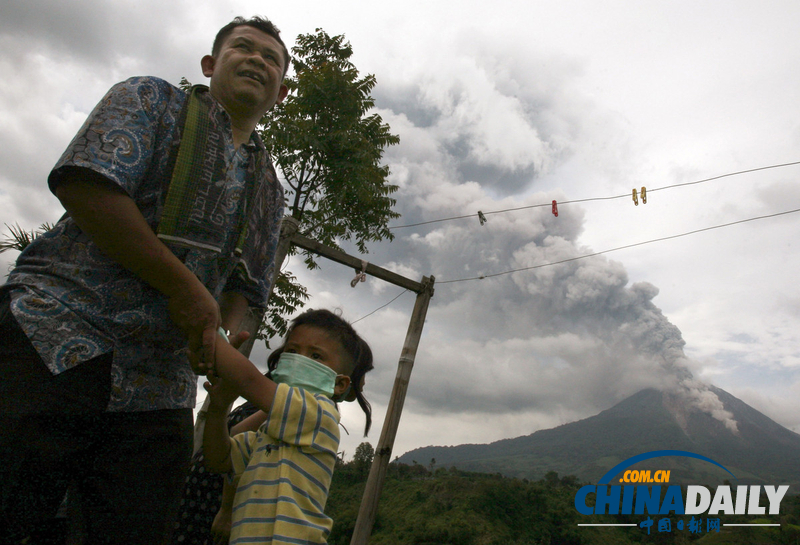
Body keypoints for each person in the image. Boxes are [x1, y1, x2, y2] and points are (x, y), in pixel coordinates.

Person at [0, 15, 290, 544]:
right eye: (242, 48)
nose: (257, 60)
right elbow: (88, 186)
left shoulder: (270, 187)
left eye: (271, 58)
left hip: (160, 388)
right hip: (57, 334)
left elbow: (248, 288)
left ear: (281, 91)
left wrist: (222, 338)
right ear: (209, 64)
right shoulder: (151, 99)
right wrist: (184, 289)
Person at [202, 309, 374, 545]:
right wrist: (218, 408)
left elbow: (249, 380)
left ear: (340, 384)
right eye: (292, 351)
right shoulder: (268, 433)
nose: (299, 360)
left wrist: (206, 330)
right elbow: (218, 459)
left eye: (315, 356)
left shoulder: (319, 413)